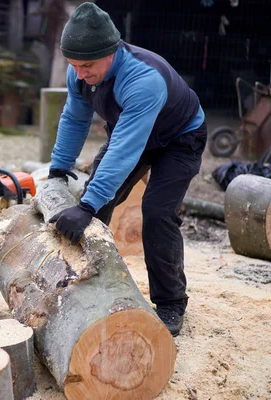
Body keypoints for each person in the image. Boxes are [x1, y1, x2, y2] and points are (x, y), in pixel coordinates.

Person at [47, 3, 207, 336]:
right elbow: (74, 119)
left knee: (157, 212)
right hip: (130, 132)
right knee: (96, 203)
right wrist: (58, 170)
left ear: (111, 52)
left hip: (179, 139)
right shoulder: (81, 72)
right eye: (73, 66)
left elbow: (124, 149)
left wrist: (87, 206)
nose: (80, 73)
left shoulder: (143, 79)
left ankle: (172, 303)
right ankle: (84, 278)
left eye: (87, 66)